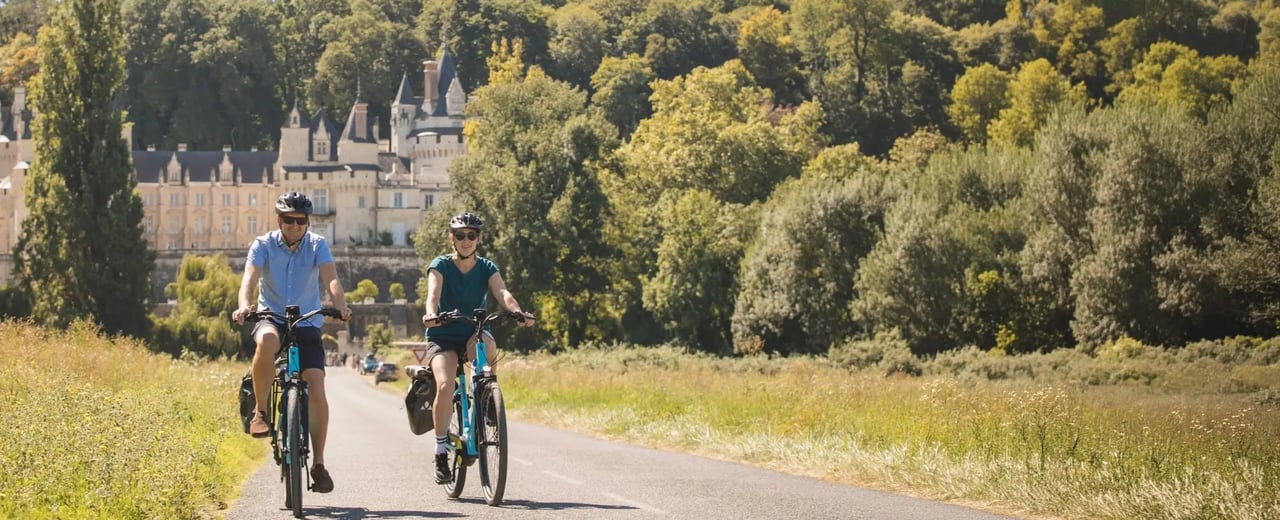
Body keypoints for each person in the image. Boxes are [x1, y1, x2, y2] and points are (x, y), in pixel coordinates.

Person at [232, 191, 353, 494]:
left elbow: (331, 278)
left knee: (315, 384)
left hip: (307, 320)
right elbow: (249, 278)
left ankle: (319, 464)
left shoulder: (317, 245)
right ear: (279, 220)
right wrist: (244, 305)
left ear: (308, 222)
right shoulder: (263, 245)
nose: (295, 226)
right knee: (266, 342)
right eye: (289, 220)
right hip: (270, 316)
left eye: (300, 221)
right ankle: (260, 414)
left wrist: (341, 304)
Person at [421, 211, 534, 484]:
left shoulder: (486, 267)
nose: (466, 240)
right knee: (446, 385)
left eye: (471, 235)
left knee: (488, 346)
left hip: (473, 331)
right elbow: (433, 295)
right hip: (443, 334)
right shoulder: (441, 265)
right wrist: (431, 314)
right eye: (460, 235)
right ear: (452, 238)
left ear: (478, 239)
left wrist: (518, 311)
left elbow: (503, 293)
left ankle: (485, 395)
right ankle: (439, 453)